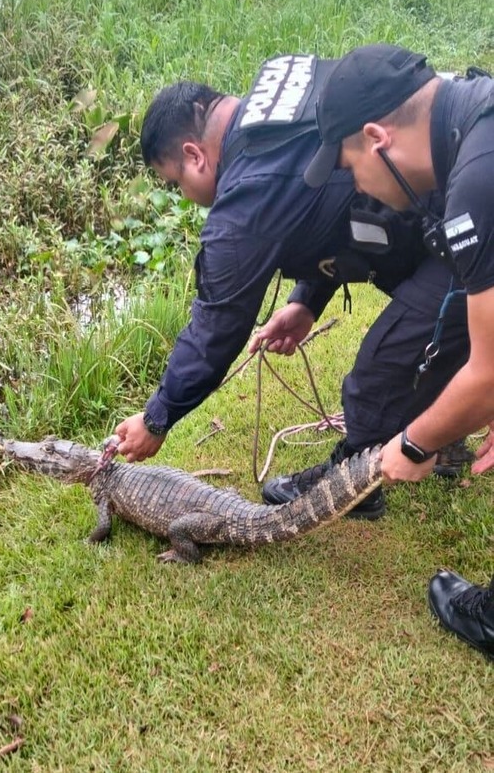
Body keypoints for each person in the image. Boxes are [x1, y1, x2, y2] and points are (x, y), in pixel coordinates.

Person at [114, 53, 471, 523]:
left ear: (194, 155)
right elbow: (327, 206)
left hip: (466, 226)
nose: (185, 195)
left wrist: (157, 417)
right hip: (443, 200)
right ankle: (442, 437)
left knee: (379, 373)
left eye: (176, 182)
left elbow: (217, 324)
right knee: (421, 338)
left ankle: (355, 480)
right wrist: (305, 300)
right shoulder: (280, 87)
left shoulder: (244, 200)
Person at [304, 41, 494, 660]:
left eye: (350, 166)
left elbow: (486, 375)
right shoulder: (476, 114)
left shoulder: (475, 184)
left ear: (377, 138)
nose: (355, 184)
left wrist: (413, 444)